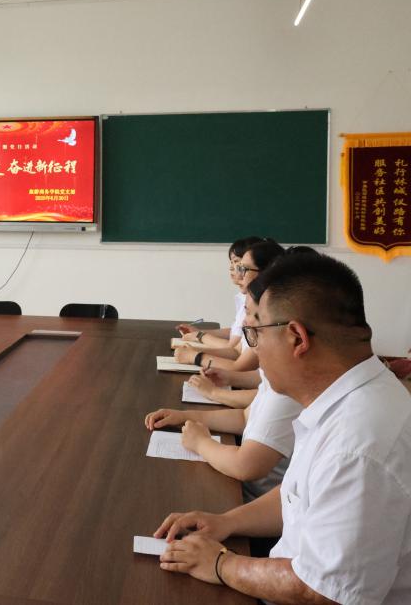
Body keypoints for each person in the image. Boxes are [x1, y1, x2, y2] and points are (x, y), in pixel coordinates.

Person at [154, 252, 411, 604]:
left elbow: (322, 590)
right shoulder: (347, 398)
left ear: (296, 338)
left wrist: (221, 564)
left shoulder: (358, 445)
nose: (254, 352)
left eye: (254, 333)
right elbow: (300, 497)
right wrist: (226, 522)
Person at [145, 272, 302, 500]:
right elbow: (244, 417)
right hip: (248, 492)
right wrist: (183, 416)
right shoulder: (280, 372)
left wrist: (201, 443)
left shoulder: (290, 385)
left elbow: (244, 466)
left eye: (254, 318)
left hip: (250, 497)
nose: (245, 323)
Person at [175, 239, 285, 385]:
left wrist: (196, 355)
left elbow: (239, 366)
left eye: (242, 268)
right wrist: (194, 350)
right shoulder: (254, 304)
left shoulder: (271, 315)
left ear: (265, 272)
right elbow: (236, 351)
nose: (237, 274)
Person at [176, 236, 265, 357]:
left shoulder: (257, 302)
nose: (232, 268)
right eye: (232, 263)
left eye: (237, 263)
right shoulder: (244, 297)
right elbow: (236, 332)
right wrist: (200, 332)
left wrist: (200, 337)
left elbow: (233, 348)